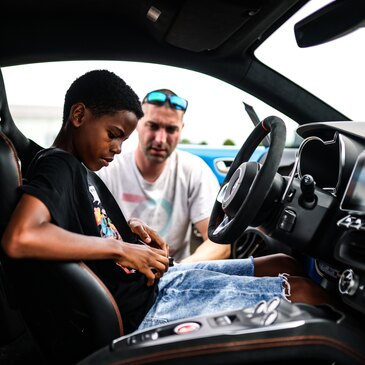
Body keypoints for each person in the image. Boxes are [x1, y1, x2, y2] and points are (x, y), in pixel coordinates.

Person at [1, 70, 333, 335]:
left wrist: (130, 234)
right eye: (113, 134)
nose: (118, 148)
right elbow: (22, 237)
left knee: (281, 264)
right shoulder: (60, 164)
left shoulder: (81, 170)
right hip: (148, 305)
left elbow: (82, 222)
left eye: (123, 140)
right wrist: (123, 250)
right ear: (78, 115)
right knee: (304, 293)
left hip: (160, 281)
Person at [97, 88, 230, 263]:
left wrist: (175, 271)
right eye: (153, 126)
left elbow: (219, 243)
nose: (160, 139)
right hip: (118, 274)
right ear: (137, 124)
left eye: (171, 129)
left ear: (181, 129)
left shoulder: (194, 170)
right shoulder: (109, 167)